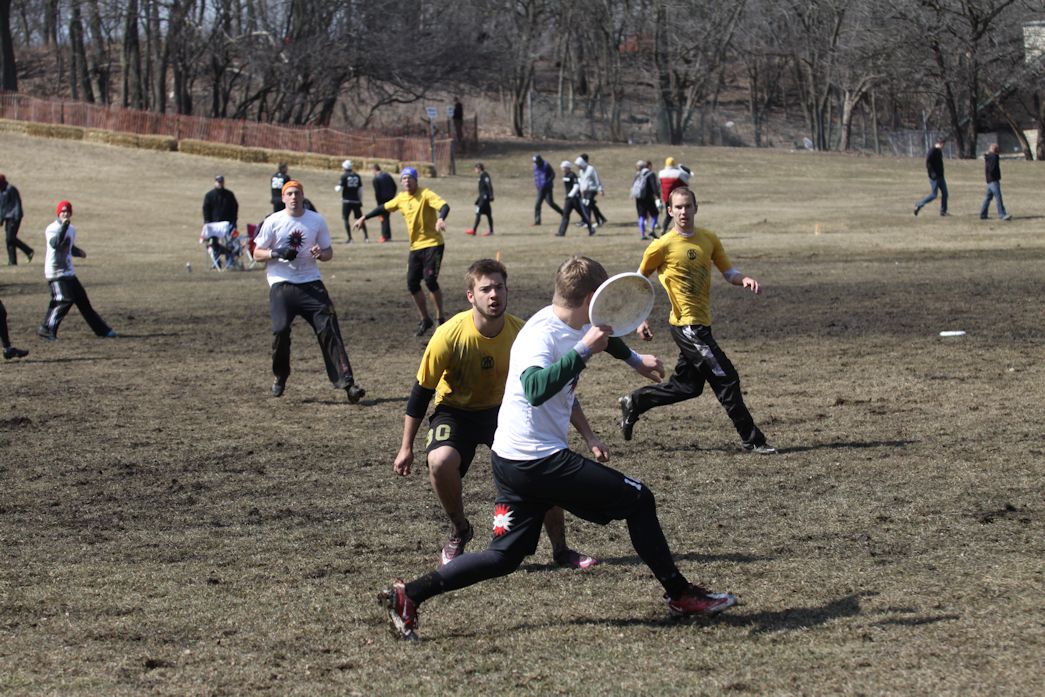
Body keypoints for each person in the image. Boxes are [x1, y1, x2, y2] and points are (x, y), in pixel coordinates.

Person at [379, 255, 739, 641]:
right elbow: (535, 388)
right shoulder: (541, 335)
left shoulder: (576, 321)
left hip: (513, 459)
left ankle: (409, 594)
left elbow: (603, 336)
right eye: (602, 298)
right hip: (537, 461)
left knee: (503, 556)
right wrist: (583, 351)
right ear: (589, 299)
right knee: (639, 500)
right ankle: (680, 594)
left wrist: (635, 361)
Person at [393, 258, 596, 570]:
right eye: (485, 289)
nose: (493, 295)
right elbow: (421, 392)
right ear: (471, 296)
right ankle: (460, 529)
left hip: (505, 411)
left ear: (507, 291)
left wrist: (589, 436)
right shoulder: (448, 335)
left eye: (499, 288)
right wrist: (406, 447)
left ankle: (561, 549)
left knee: (545, 462)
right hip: (456, 412)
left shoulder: (523, 333)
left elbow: (556, 387)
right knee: (440, 461)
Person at [618, 187, 775, 455]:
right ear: (670, 211)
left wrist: (744, 279)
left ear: (695, 208)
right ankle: (753, 440)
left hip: (701, 323)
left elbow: (729, 272)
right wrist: (639, 319)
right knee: (726, 378)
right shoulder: (661, 246)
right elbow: (639, 282)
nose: (683, 212)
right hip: (687, 326)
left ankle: (636, 401)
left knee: (687, 387)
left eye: (688, 206)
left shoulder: (708, 239)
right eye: (678, 207)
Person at [252, 180, 365, 403]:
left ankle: (348, 384)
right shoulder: (273, 221)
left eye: (297, 193)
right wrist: (276, 253)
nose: (294, 197)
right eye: (289, 194)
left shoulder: (316, 220)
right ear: (283, 198)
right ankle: (280, 375)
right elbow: (257, 253)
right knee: (280, 330)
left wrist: (320, 253)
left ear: (303, 196)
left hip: (311, 283)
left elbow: (328, 252)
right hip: (282, 284)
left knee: (329, 328)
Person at [356, 167, 449, 336]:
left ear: (416, 180)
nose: (406, 181)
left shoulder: (426, 194)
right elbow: (383, 207)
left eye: (409, 178)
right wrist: (364, 217)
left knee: (430, 280)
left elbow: (444, 206)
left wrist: (441, 218)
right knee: (412, 283)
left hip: (433, 244)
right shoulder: (401, 198)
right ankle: (425, 319)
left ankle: (440, 318)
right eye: (404, 179)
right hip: (415, 247)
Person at [37, 200, 116, 341]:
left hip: (69, 272)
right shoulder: (52, 228)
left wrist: (78, 252)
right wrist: (64, 226)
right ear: (58, 213)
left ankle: (102, 330)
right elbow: (56, 244)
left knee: (83, 301)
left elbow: (68, 247)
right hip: (56, 272)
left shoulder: (72, 229)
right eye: (62, 211)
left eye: (67, 211)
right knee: (64, 300)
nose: (65, 214)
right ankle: (47, 328)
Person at [201, 175, 239, 269]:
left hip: (228, 224)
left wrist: (234, 220)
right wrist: (207, 221)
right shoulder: (209, 195)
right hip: (214, 225)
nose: (220, 184)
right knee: (214, 243)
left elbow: (235, 207)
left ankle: (230, 262)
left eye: (221, 182)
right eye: (218, 182)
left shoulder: (229, 195)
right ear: (215, 182)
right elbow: (206, 209)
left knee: (230, 242)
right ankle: (216, 261)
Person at [0, 174, 33, 266]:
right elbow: (2, 208)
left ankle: (29, 251)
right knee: (9, 240)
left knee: (10, 238)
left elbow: (17, 203)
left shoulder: (11, 189)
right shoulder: (1, 191)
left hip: (14, 217)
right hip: (7, 218)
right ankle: (12, 261)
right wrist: (1, 219)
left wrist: (17, 216)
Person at [556, 161, 594, 237]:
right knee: (565, 215)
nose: (561, 168)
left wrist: (570, 195)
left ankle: (591, 229)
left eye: (563, 167)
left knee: (583, 215)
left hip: (575, 199)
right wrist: (568, 196)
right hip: (568, 199)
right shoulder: (566, 175)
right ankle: (561, 232)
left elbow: (576, 186)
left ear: (567, 168)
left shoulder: (572, 175)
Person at [336, 160, 368, 243]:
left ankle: (350, 238)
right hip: (356, 200)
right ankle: (366, 237)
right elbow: (360, 189)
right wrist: (360, 200)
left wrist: (336, 188)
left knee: (346, 219)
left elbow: (339, 189)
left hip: (346, 201)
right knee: (360, 218)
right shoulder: (357, 176)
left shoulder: (344, 176)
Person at [914, 138, 948, 216]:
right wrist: (932, 174)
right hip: (935, 178)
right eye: (943, 144)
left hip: (941, 176)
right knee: (933, 195)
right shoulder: (932, 151)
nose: (943, 146)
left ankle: (943, 211)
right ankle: (919, 204)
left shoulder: (939, 151)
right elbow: (928, 162)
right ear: (940, 143)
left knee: (945, 193)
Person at [979, 143, 1012, 221]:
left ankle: (983, 214)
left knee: (988, 198)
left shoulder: (988, 157)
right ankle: (1002, 214)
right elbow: (992, 168)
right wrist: (995, 176)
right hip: (994, 180)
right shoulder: (994, 157)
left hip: (989, 180)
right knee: (998, 198)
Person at [630, 160, 660, 240]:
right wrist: (658, 195)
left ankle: (642, 234)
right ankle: (652, 229)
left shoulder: (637, 174)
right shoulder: (651, 174)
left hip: (639, 198)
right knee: (655, 214)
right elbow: (654, 186)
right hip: (649, 197)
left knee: (641, 216)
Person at [575, 154, 606, 228]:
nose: (578, 167)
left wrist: (600, 189)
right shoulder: (581, 171)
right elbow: (581, 180)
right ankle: (601, 220)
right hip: (585, 191)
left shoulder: (591, 169)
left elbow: (596, 179)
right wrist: (581, 189)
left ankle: (587, 222)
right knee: (591, 205)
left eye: (578, 165)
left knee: (587, 205)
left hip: (592, 189)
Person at [657, 157, 687, 234]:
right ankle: (674, 228)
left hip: (666, 197)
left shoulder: (661, 173)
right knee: (678, 213)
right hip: (676, 197)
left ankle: (664, 227)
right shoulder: (678, 173)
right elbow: (685, 184)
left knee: (669, 213)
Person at [532, 154, 562, 226]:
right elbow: (536, 176)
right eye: (535, 162)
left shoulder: (546, 165)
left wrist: (548, 181)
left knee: (551, 203)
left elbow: (553, 174)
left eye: (537, 162)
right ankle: (537, 221)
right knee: (537, 204)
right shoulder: (535, 166)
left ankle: (563, 213)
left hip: (547, 188)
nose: (536, 163)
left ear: (540, 160)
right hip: (540, 188)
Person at [465, 163, 494, 237]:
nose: (475, 170)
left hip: (484, 197)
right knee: (488, 214)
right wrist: (478, 199)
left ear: (479, 168)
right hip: (483, 197)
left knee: (478, 212)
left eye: (475, 169)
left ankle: (474, 231)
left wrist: (491, 195)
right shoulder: (481, 175)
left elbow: (489, 185)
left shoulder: (485, 175)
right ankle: (491, 231)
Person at [371, 164, 397, 242]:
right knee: (386, 218)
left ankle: (384, 236)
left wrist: (378, 205)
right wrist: (392, 196)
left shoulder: (376, 179)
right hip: (390, 199)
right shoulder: (388, 175)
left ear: (374, 170)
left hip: (382, 201)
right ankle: (387, 236)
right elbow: (395, 186)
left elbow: (377, 193)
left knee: (383, 218)